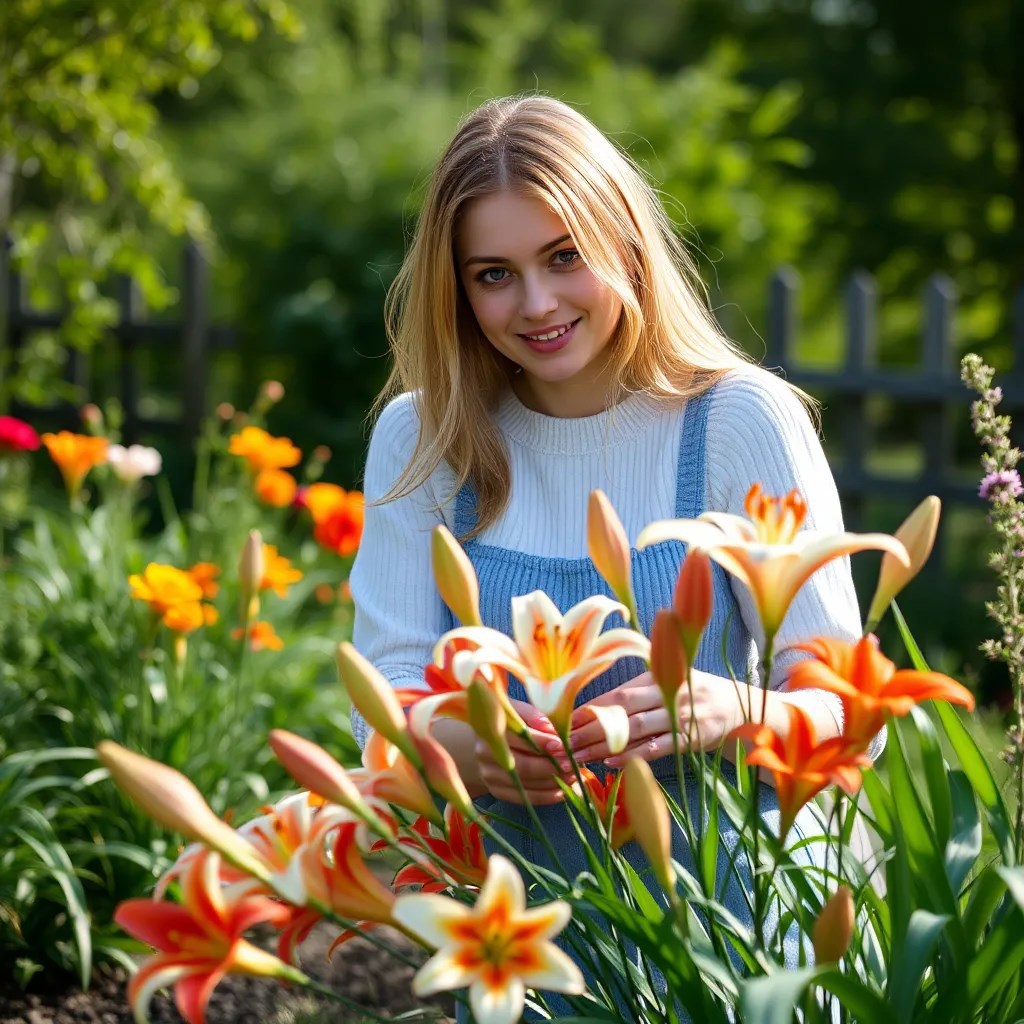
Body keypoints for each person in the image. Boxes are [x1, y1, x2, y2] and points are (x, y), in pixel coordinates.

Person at [349, 94, 878, 1017]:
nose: (537, 304)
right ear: (456, 288)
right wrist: (468, 745)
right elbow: (384, 697)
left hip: (740, 920)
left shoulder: (738, 419)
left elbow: (843, 708)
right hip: (522, 929)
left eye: (564, 257)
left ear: (626, 243)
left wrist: (735, 707)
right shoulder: (423, 436)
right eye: (493, 274)